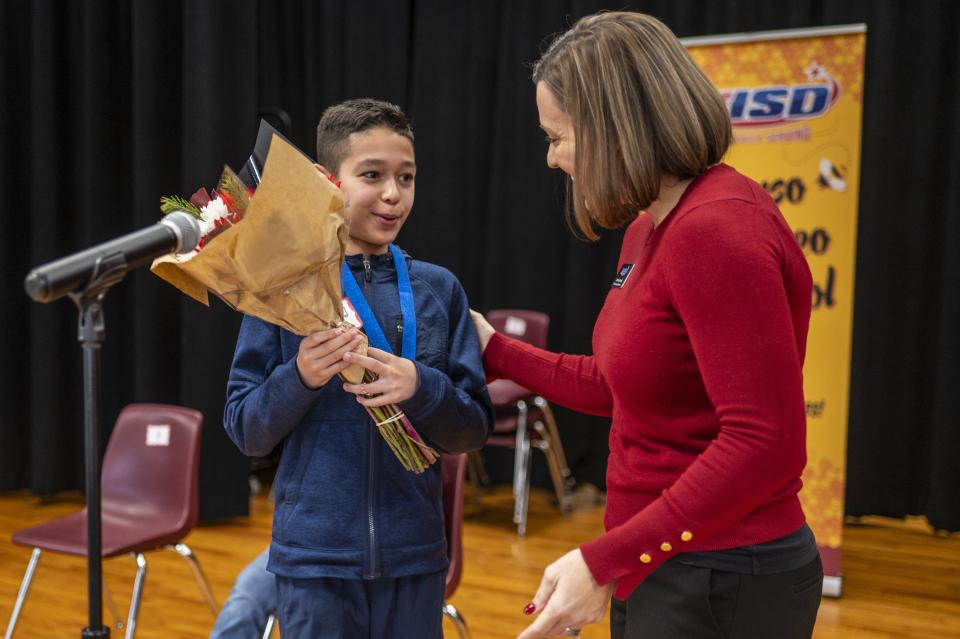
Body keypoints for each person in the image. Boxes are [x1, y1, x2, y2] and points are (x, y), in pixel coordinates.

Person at [471, 11, 823, 639]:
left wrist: (604, 564)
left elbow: (765, 442)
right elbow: (616, 386)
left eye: (558, 137)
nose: (552, 159)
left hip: (723, 577)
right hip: (662, 560)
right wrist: (493, 348)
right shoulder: (650, 225)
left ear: (613, 128)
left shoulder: (717, 229)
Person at [224, 98, 493, 638]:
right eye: (373, 175)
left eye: (407, 177)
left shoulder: (439, 290)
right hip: (313, 561)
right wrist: (297, 376)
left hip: (415, 557)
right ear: (328, 181)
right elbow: (246, 429)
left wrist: (423, 387)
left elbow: (472, 429)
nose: (394, 194)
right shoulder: (283, 288)